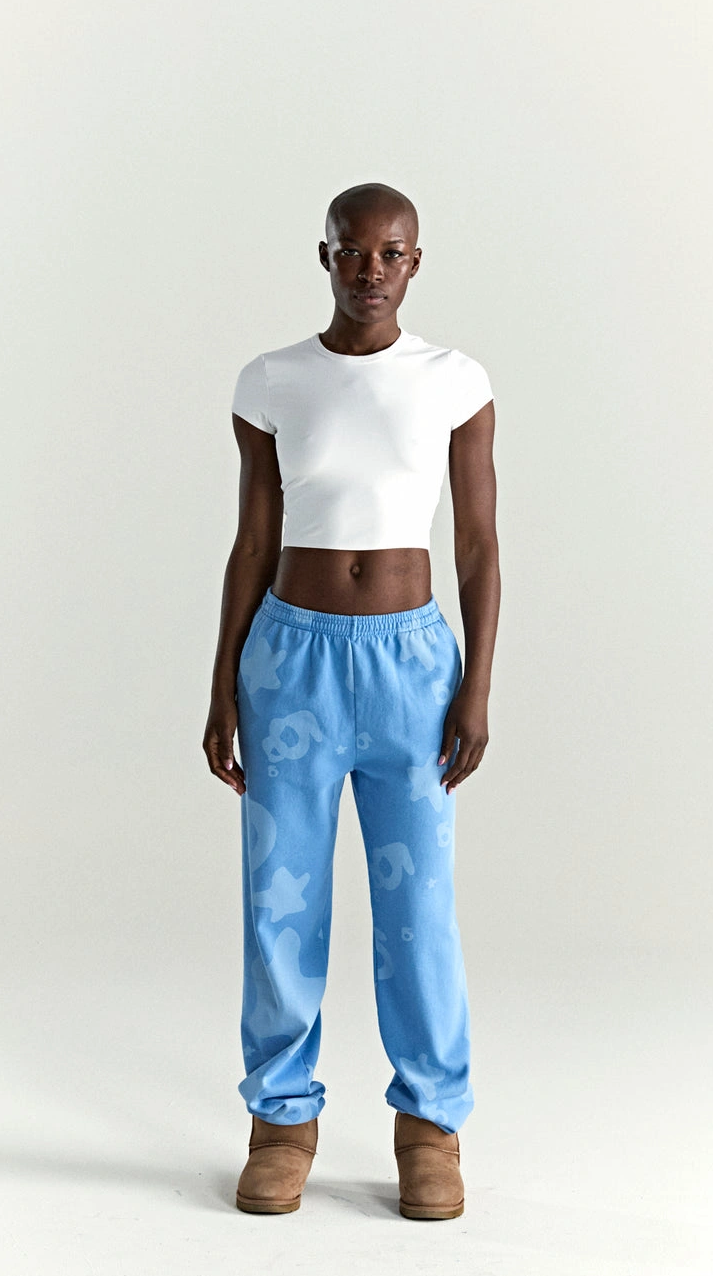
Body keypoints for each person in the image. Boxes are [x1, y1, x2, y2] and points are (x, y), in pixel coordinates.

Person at [203, 182, 499, 1220]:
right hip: (291, 666)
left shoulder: (454, 381)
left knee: (418, 908)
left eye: (390, 252)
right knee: (280, 901)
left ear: (416, 261)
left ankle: (430, 1124)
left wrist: (476, 686)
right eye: (351, 251)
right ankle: (282, 1119)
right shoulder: (272, 381)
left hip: (412, 667)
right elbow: (253, 540)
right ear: (324, 256)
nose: (370, 269)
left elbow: (477, 545)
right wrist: (222, 682)